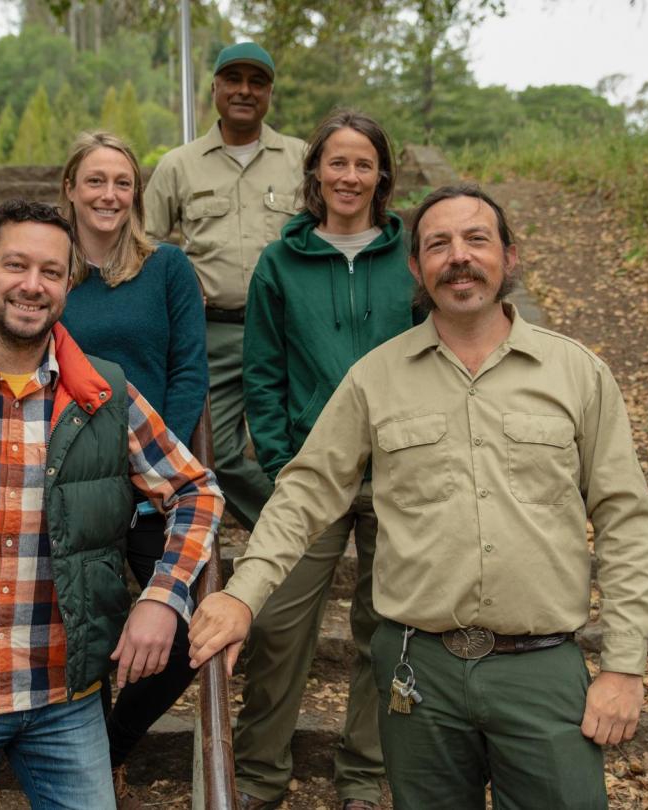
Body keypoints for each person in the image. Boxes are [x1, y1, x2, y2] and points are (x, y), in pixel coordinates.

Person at [189, 186, 648, 809]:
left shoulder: (576, 373)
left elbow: (625, 518)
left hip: (542, 670)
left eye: (476, 240)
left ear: (509, 257)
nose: (457, 257)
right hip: (420, 672)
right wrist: (242, 596)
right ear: (416, 267)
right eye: (438, 244)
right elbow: (305, 492)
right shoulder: (375, 378)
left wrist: (625, 664)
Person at [0, 199, 224, 810]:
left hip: (65, 696)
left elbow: (197, 490)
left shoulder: (104, 392)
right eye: (15, 266)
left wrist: (164, 594)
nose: (32, 285)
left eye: (51, 272)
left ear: (67, 285)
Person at [233, 110, 416, 810]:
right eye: (335, 162)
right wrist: (282, 459)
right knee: (277, 624)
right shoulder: (280, 263)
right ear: (314, 173)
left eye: (362, 163)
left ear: (381, 175)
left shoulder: (410, 258)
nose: (348, 176)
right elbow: (262, 372)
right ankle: (256, 775)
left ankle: (364, 776)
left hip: (401, 477)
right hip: (310, 473)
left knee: (386, 630)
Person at [56, 131, 210, 804]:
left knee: (185, 632)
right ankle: (68, 755)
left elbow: (188, 371)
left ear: (137, 194)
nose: (108, 195)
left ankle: (108, 745)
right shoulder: (49, 270)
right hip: (65, 482)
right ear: (70, 189)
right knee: (72, 623)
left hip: (151, 481)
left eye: (121, 182)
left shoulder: (167, 268)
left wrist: (156, 470)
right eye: (94, 181)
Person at [145, 41, 305, 530]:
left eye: (257, 82)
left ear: (270, 93)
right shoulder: (180, 165)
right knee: (220, 451)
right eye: (232, 79)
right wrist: (177, 279)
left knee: (303, 445)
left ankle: (307, 534)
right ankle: (295, 533)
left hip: (290, 328)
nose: (244, 90)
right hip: (216, 332)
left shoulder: (302, 158)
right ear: (214, 88)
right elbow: (142, 243)